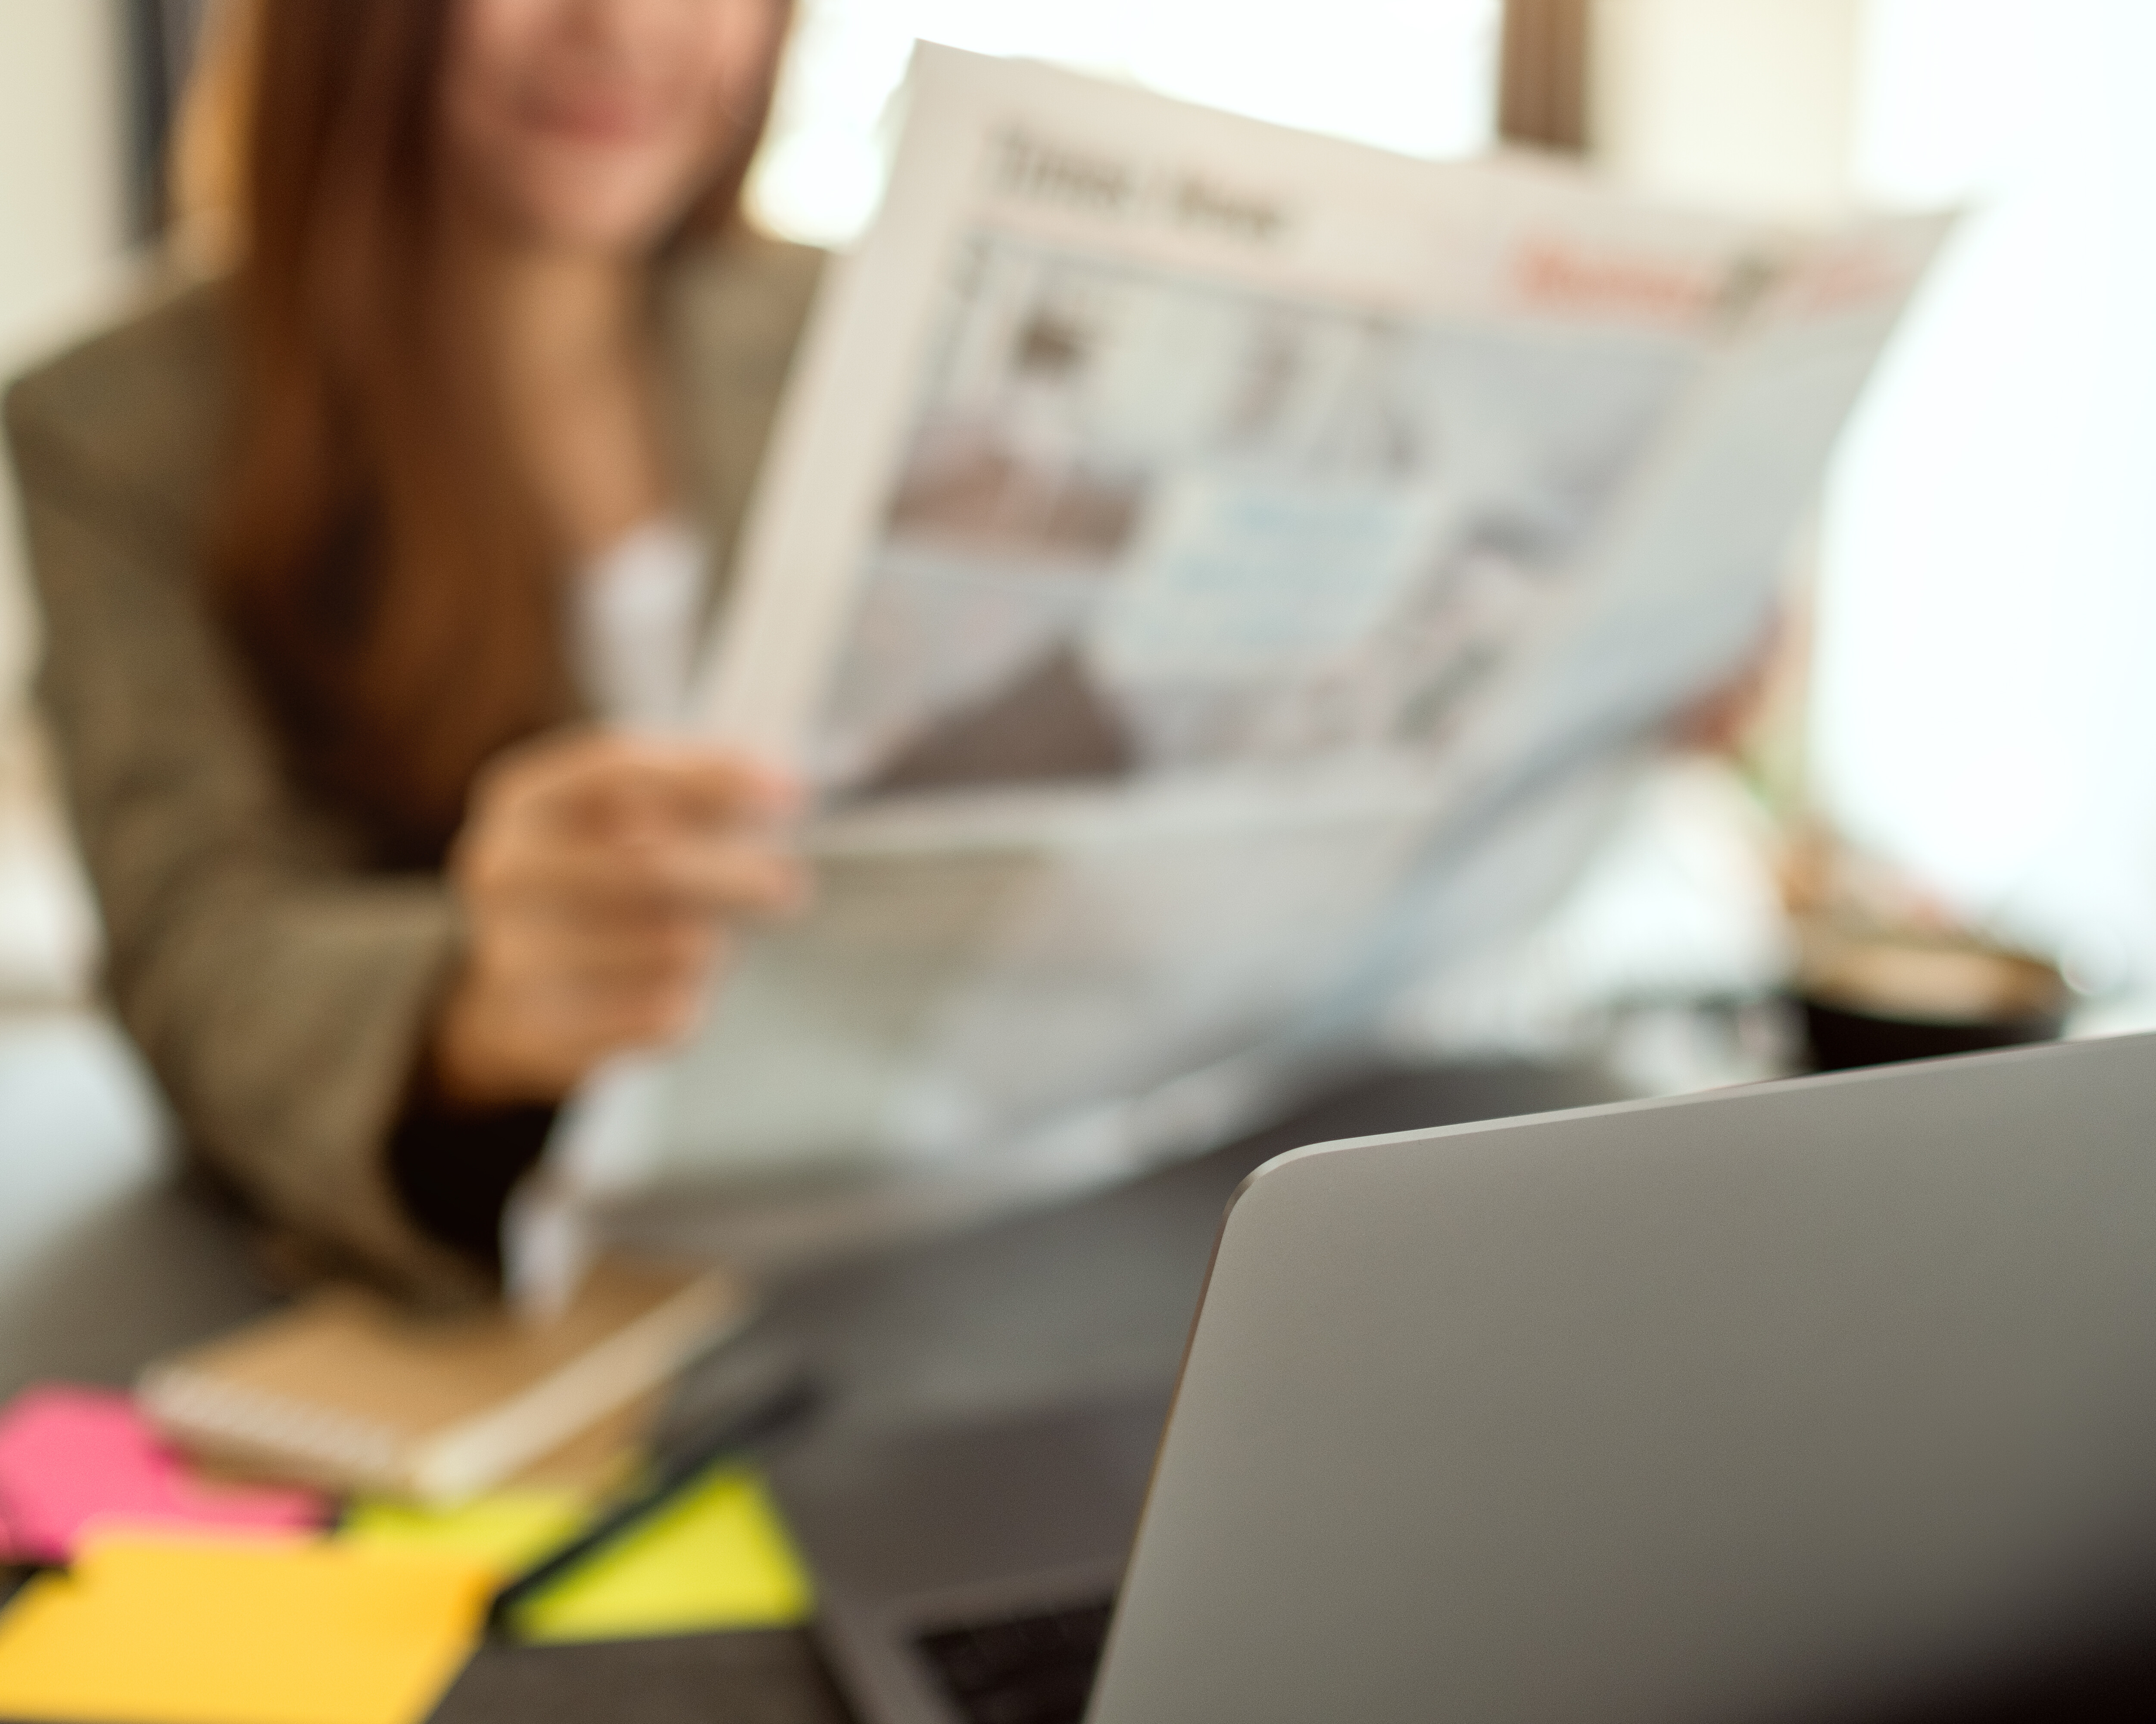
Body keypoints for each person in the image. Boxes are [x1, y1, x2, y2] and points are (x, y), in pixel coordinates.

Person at [5, 0, 813, 1302]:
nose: (619, 26)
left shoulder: (842, 320)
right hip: (501, 1281)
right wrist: (473, 1001)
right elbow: (197, 954)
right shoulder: (117, 428)